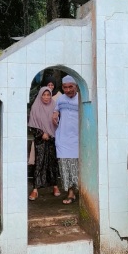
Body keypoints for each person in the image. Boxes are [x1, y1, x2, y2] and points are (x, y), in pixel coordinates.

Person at [28, 86, 61, 200]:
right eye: (44, 95)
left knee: (53, 164)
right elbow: (31, 125)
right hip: (40, 140)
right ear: (40, 95)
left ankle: (55, 186)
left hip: (53, 139)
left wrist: (52, 133)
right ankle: (35, 189)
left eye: (48, 95)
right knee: (39, 164)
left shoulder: (55, 106)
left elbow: (60, 122)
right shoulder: (35, 107)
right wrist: (41, 133)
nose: (46, 97)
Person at [52, 75, 79, 204]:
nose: (68, 90)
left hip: (77, 139)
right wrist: (55, 113)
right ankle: (70, 193)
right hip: (62, 138)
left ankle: (80, 192)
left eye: (70, 87)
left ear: (76, 86)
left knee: (75, 167)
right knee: (64, 168)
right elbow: (55, 110)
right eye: (65, 87)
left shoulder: (82, 98)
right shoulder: (60, 99)